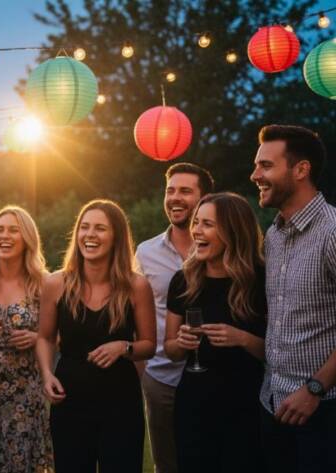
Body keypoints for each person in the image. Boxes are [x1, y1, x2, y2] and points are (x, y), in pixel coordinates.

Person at [37, 199, 155, 473]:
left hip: (121, 403)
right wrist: (46, 374)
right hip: (70, 401)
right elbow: (44, 337)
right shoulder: (55, 284)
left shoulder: (137, 286)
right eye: (84, 227)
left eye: (100, 228)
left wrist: (124, 347)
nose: (90, 235)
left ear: (116, 236)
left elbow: (149, 345)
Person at [251, 125, 336, 473]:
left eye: (266, 166)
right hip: (273, 402)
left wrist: (314, 389)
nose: (255, 174)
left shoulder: (332, 233)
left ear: (301, 170)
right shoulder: (273, 234)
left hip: (324, 409)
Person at [163, 192, 267, 473]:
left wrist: (241, 338)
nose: (196, 230)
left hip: (246, 403)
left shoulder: (260, 280)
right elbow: (171, 350)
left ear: (233, 230)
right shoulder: (183, 279)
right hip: (194, 403)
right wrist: (182, 342)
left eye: (207, 224)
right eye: (196, 222)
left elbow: (275, 352)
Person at [135, 163, 214, 473]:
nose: (175, 198)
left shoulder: (223, 250)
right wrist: (146, 373)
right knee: (167, 464)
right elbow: (134, 314)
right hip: (162, 378)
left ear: (206, 198)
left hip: (215, 376)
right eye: (170, 191)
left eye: (185, 191)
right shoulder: (145, 252)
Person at [0, 205, 54, 472]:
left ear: (27, 236)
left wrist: (37, 336)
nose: (4, 236)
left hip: (25, 394)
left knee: (20, 465)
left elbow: (59, 335)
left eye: (13, 230)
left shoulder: (44, 283)